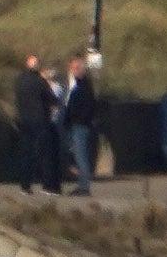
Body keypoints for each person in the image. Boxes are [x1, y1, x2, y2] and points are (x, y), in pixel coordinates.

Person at [14, 53, 60, 193]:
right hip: (40, 120)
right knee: (45, 153)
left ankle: (25, 185)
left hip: (23, 120)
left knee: (25, 152)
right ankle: (47, 185)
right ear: (37, 66)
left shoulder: (19, 81)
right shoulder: (40, 81)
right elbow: (53, 100)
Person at [59, 56, 102, 193]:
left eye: (76, 68)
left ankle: (84, 186)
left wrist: (78, 120)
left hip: (80, 126)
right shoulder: (77, 86)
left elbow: (86, 108)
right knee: (77, 155)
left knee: (81, 156)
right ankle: (82, 184)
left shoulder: (84, 87)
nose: (74, 71)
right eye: (72, 68)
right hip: (75, 125)